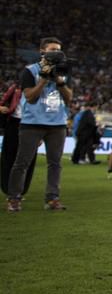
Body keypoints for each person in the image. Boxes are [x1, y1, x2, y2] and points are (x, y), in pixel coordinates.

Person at [6, 38, 73, 212]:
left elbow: (68, 98)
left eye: (59, 49)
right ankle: (14, 198)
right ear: (42, 51)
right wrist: (43, 80)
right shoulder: (30, 71)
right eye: (53, 49)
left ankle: (52, 198)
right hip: (32, 123)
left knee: (55, 164)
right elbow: (29, 97)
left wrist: (59, 81)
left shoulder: (63, 71)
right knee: (22, 162)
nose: (57, 52)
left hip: (57, 124)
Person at [1, 81, 29, 195]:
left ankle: (21, 189)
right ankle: (7, 187)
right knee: (9, 157)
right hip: (14, 123)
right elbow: (3, 101)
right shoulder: (14, 89)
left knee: (27, 160)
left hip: (31, 125)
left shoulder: (39, 92)